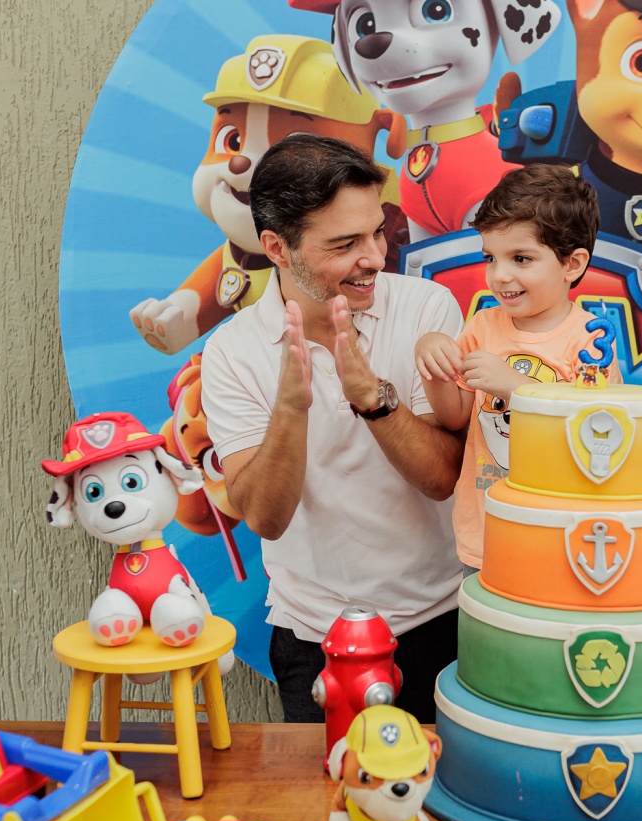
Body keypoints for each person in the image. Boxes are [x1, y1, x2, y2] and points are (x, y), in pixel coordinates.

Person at [200, 134, 467, 723]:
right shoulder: (232, 352)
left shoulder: (426, 309)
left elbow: (443, 477)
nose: (374, 257)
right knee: (331, 781)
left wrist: (373, 400)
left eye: (377, 232)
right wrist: (290, 410)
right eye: (345, 245)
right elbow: (264, 518)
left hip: (445, 623)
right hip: (315, 638)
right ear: (277, 247)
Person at [414, 164, 617, 568]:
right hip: (485, 533)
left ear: (572, 264)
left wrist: (518, 388)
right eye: (491, 257)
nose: (500, 275)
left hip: (559, 536)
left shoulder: (590, 341)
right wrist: (432, 363)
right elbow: (454, 416)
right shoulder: (482, 326)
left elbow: (598, 434)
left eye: (521, 258)